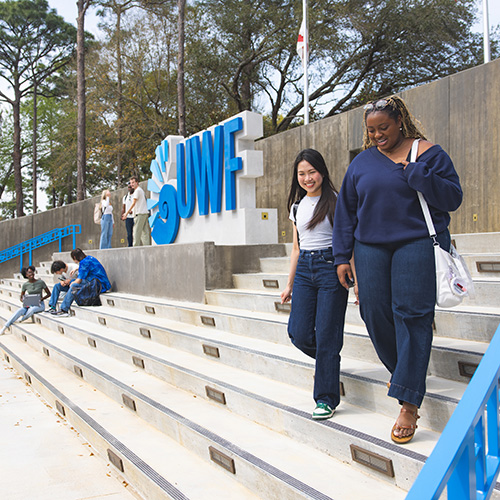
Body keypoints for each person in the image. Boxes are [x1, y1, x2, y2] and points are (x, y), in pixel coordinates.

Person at [333, 95, 463, 444]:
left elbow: (453, 198)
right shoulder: (362, 163)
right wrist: (342, 256)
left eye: (383, 128)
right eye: (371, 130)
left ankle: (408, 403)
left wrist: (420, 176)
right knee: (375, 312)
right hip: (370, 246)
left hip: (416, 243)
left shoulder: (428, 153)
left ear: (400, 122)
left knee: (412, 314)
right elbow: (346, 211)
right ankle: (405, 373)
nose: (377, 135)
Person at [280, 149, 348, 420]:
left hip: (332, 267)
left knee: (328, 335)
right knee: (298, 333)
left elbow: (347, 242)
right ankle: (328, 365)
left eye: (311, 172)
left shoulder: (336, 201)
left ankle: (326, 399)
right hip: (305, 271)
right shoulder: (297, 207)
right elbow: (296, 248)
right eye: (302, 174)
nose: (307, 178)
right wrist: (289, 284)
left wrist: (357, 281)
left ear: (322, 172)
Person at [54, 248, 111, 317]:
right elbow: (88, 267)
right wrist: (77, 269)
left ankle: (64, 309)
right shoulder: (90, 258)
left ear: (74, 257)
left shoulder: (83, 263)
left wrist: (72, 283)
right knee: (72, 282)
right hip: (102, 283)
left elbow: (79, 280)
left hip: (98, 285)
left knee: (73, 285)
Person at [0, 266, 51, 335]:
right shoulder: (25, 285)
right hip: (29, 304)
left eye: (31, 272)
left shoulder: (41, 282)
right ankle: (4, 327)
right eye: (28, 273)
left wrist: (41, 299)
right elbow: (21, 297)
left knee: (32, 309)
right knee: (18, 311)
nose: (31, 274)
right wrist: (24, 300)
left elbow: (49, 294)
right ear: (26, 275)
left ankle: (22, 319)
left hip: (39, 304)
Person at [121, 175, 151, 246]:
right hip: (144, 213)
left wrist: (126, 213)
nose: (132, 184)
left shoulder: (137, 191)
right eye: (131, 183)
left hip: (139, 214)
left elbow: (133, 203)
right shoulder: (140, 190)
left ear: (137, 182)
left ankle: (135, 249)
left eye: (133, 182)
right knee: (144, 233)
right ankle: (147, 248)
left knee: (136, 233)